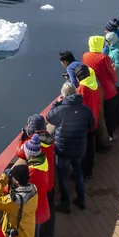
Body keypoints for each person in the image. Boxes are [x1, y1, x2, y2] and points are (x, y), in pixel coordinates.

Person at [47, 82, 93, 210]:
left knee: (63, 176)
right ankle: (81, 200)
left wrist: (56, 103)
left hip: (63, 149)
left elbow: (49, 118)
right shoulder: (85, 109)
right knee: (78, 173)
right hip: (79, 148)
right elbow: (92, 125)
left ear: (64, 95)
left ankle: (65, 203)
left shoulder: (61, 109)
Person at [21, 135, 54, 237]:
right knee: (38, 233)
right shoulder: (42, 161)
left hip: (36, 210)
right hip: (42, 205)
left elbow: (25, 187)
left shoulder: (33, 172)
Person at [83, 36, 119, 137]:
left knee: (99, 115)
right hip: (108, 90)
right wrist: (114, 82)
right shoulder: (104, 58)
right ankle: (110, 134)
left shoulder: (85, 56)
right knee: (110, 114)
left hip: (94, 89)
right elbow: (113, 73)